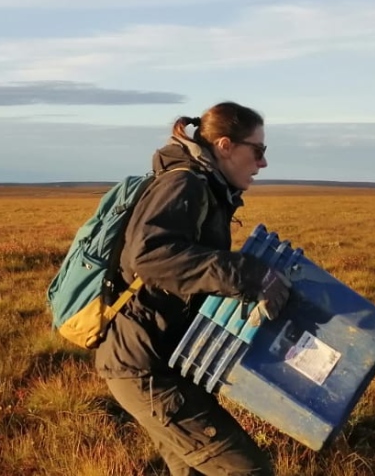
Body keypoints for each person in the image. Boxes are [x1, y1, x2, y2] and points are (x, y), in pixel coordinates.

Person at [96, 102, 292, 476]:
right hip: (145, 366)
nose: (263, 163)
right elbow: (151, 258)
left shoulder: (204, 187)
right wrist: (249, 274)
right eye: (258, 150)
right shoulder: (184, 183)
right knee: (246, 470)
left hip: (161, 358)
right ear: (224, 145)